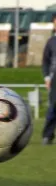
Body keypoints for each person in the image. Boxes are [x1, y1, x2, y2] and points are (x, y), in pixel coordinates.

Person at [41, 13, 56, 145]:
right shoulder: (51, 42)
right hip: (55, 78)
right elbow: (45, 61)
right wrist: (47, 77)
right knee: (53, 106)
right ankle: (47, 135)